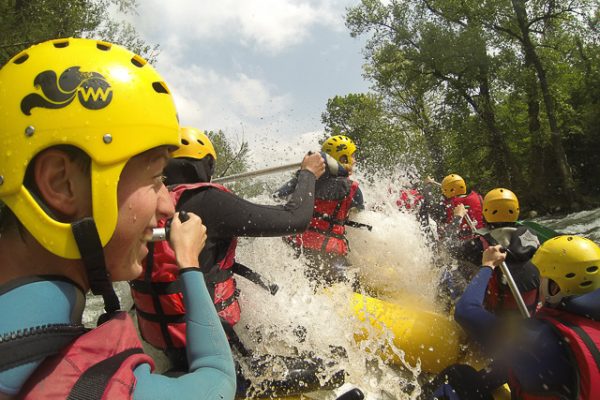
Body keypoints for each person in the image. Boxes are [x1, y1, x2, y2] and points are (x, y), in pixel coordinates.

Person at [0, 38, 235, 399]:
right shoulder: (108, 390)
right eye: (155, 177)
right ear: (61, 184)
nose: (168, 206)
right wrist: (187, 261)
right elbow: (217, 378)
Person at [129, 127, 343, 397]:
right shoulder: (207, 201)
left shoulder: (145, 208)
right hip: (220, 361)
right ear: (206, 165)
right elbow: (295, 218)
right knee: (334, 369)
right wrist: (308, 173)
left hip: (170, 348)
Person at [429, 235, 600, 399]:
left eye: (541, 278)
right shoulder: (590, 322)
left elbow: (465, 311)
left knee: (458, 377)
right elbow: (520, 363)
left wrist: (488, 265)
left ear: (553, 288)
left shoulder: (537, 339)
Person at [275, 135, 364, 286]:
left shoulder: (304, 180)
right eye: (352, 156)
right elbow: (360, 215)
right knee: (353, 283)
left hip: (298, 249)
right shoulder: (354, 190)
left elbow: (277, 196)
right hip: (331, 256)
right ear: (343, 158)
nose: (355, 160)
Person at [445, 188, 541, 315]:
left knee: (448, 272)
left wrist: (457, 217)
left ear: (485, 213)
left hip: (495, 322)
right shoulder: (533, 241)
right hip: (530, 315)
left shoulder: (479, 246)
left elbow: (448, 247)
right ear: (516, 211)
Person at [433, 174, 485, 240]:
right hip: (481, 239)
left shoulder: (450, 205)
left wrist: (427, 187)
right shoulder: (478, 198)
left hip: (463, 243)